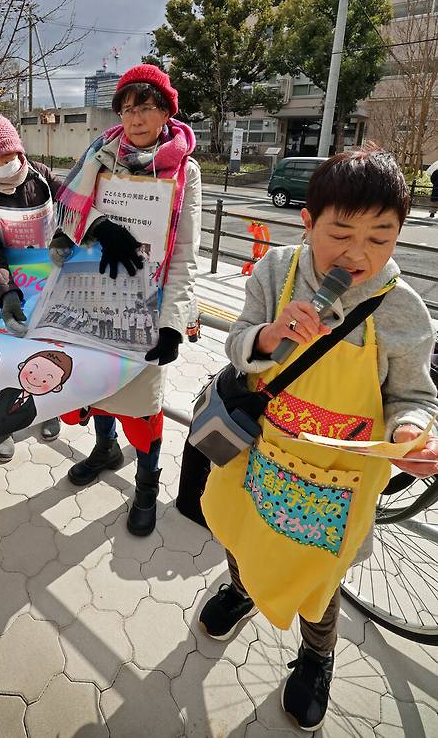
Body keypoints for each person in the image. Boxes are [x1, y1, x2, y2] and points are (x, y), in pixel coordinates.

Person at [198, 149, 438, 731]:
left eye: (382, 238)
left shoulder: (400, 309)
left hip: (338, 480)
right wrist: (267, 336)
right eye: (341, 233)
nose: (359, 254)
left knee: (318, 579)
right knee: (242, 532)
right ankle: (243, 588)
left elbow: (415, 398)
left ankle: (316, 654)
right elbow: (237, 347)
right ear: (307, 222)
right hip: (260, 454)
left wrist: (412, 432)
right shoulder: (276, 269)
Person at [52, 63, 201, 536]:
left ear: (166, 111)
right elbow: (64, 213)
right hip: (93, 296)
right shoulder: (100, 156)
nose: (136, 118)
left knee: (142, 402)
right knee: (98, 388)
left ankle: (146, 485)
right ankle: (104, 449)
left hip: (147, 305)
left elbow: (184, 256)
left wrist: (173, 324)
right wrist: (100, 227)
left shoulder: (184, 171)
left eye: (148, 107)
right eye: (128, 107)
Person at [0, 113, 64, 462]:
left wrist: (65, 239)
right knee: (5, 354)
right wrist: (5, 292)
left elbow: (72, 211)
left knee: (48, 348)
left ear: (18, 151)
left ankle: (48, 408)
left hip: (50, 280)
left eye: (7, 157)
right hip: (6, 284)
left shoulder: (43, 176)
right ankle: (0, 424)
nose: (2, 165)